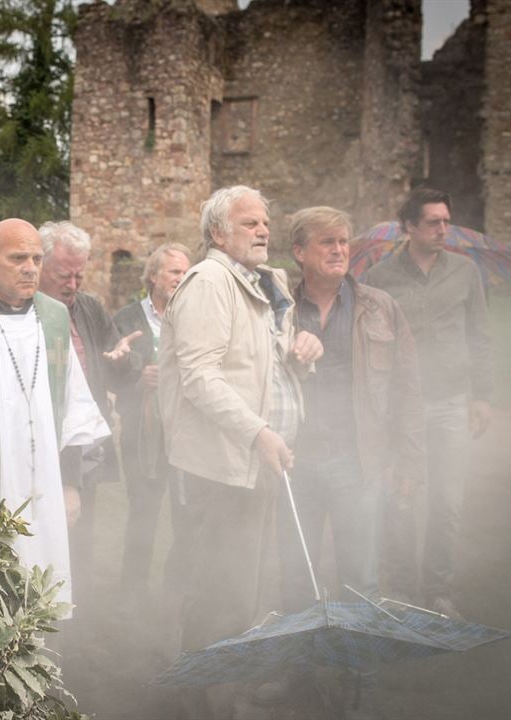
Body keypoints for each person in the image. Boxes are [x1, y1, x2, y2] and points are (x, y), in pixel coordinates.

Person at [158, 185, 321, 717]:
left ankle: (214, 690)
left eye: (265, 223)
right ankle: (201, 701)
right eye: (249, 223)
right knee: (220, 593)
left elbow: (259, 370)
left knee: (241, 590)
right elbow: (201, 380)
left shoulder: (262, 284)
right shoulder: (209, 282)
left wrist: (303, 352)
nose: (263, 231)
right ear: (217, 233)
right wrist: (259, 433)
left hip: (261, 462)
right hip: (223, 468)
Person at [257, 207, 426, 716]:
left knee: (361, 580)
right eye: (326, 242)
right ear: (301, 252)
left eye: (343, 241)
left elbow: (408, 389)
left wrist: (408, 462)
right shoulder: (276, 309)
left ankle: (361, 684)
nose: (338, 250)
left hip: (359, 464)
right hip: (296, 462)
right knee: (294, 578)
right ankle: (299, 680)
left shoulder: (380, 307)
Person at [0, 218, 110, 612]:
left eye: (36, 258)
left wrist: (71, 484)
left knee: (40, 598)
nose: (31, 267)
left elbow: (75, 412)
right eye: (18, 258)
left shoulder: (54, 318)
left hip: (45, 485)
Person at [364, 187, 493, 618]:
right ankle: (401, 591)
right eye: (434, 222)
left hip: (452, 403)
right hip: (400, 409)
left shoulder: (465, 271)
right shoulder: (380, 278)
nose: (443, 229)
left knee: (447, 501)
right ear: (409, 227)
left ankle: (438, 591)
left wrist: (483, 396)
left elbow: (479, 335)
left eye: (446, 221)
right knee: (399, 498)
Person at [36, 220, 139, 605]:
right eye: (64, 274)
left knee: (82, 538)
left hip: (85, 450)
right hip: (41, 448)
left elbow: (121, 376)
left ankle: (79, 626)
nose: (73, 284)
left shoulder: (89, 308)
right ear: (38, 264)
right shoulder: (25, 312)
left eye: (80, 274)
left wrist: (122, 361)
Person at [112, 242, 191, 601]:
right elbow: (111, 372)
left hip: (186, 435)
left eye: (186, 272)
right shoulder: (127, 319)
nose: (181, 278)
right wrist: (137, 378)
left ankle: (177, 588)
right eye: (175, 271)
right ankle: (132, 592)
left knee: (185, 514)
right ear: (153, 276)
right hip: (142, 435)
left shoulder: (194, 313)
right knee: (143, 514)